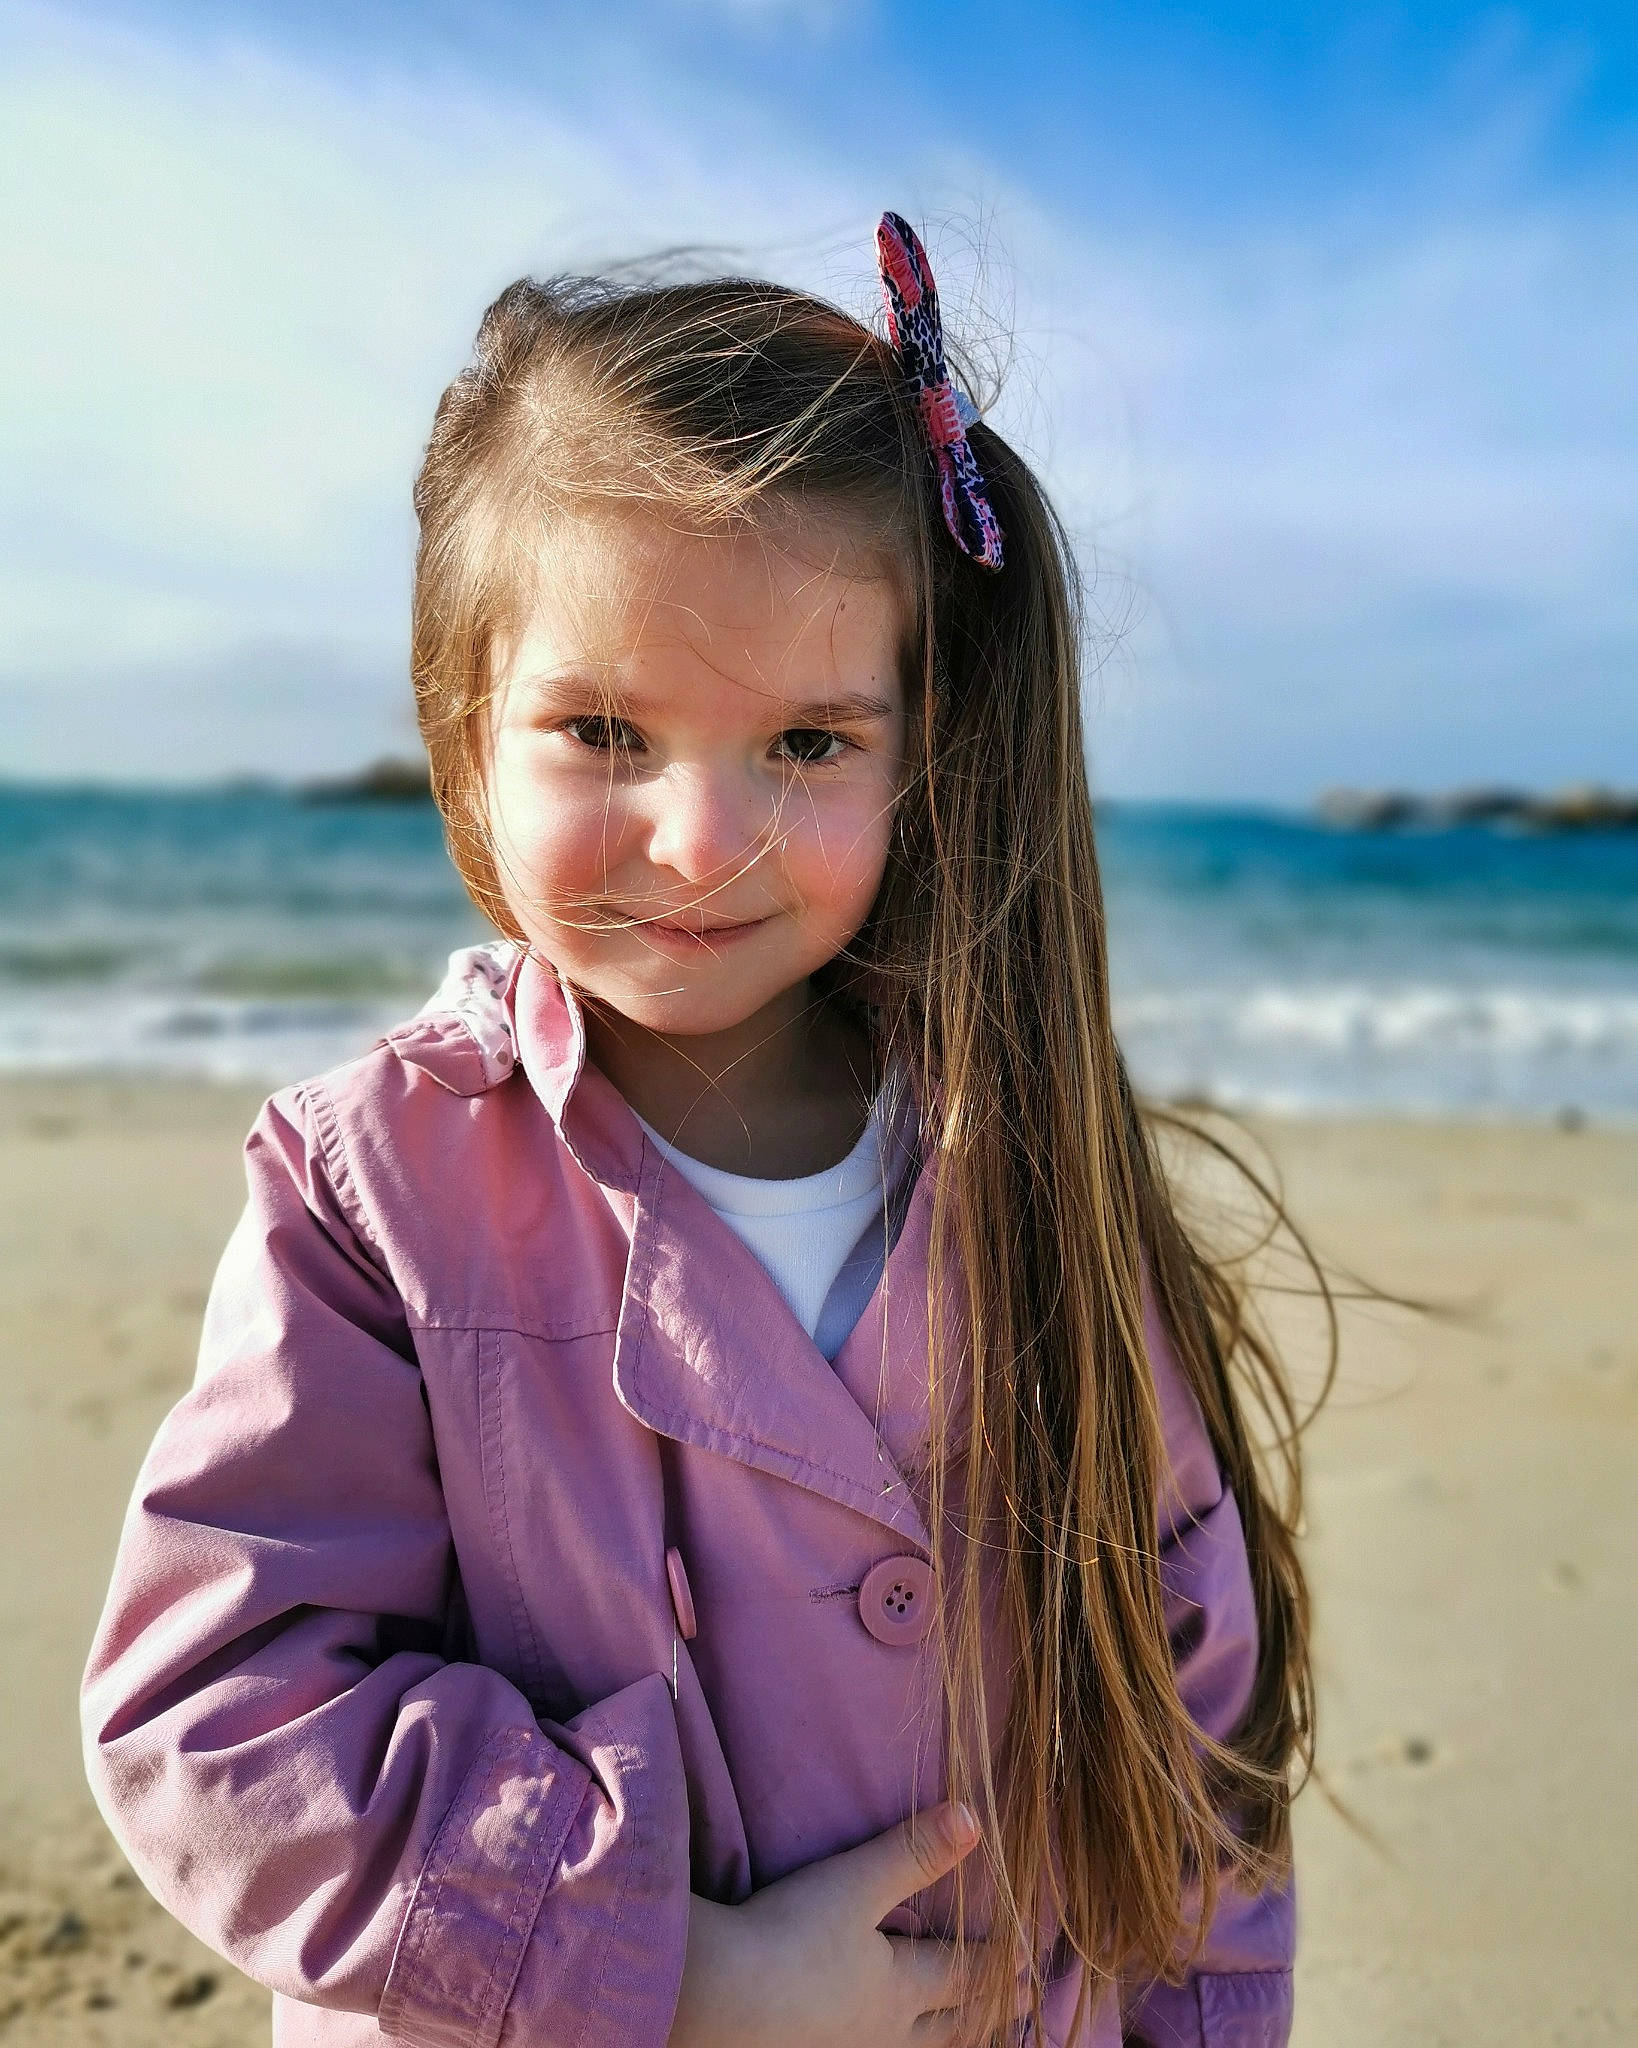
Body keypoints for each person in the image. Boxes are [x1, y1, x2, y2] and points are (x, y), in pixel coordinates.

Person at [81, 212, 1315, 2048]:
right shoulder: (378, 1197)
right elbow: (222, 1713)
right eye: (599, 730)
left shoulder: (1035, 1172)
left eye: (807, 744)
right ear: (460, 739)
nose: (698, 834)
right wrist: (661, 1968)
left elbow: (1190, 1740)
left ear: (921, 753)